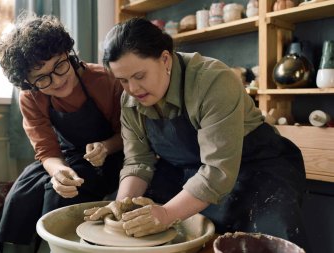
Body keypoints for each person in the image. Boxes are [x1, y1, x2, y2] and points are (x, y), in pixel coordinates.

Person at [84, 17, 310, 252]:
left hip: (255, 165)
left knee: (266, 239)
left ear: (165, 59)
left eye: (140, 76)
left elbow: (217, 172)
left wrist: (166, 214)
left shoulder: (212, 81)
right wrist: (121, 205)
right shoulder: (130, 100)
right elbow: (138, 161)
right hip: (187, 169)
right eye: (123, 80)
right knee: (128, 212)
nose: (133, 89)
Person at [0, 14, 124, 251]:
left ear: (68, 53)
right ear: (29, 83)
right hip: (67, 156)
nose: (57, 80)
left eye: (60, 65)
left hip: (113, 155)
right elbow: (46, 151)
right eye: (42, 78)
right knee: (21, 194)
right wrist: (60, 172)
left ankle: (55, 247)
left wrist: (105, 147)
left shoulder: (105, 80)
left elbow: (129, 136)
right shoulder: (31, 97)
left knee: (60, 197)